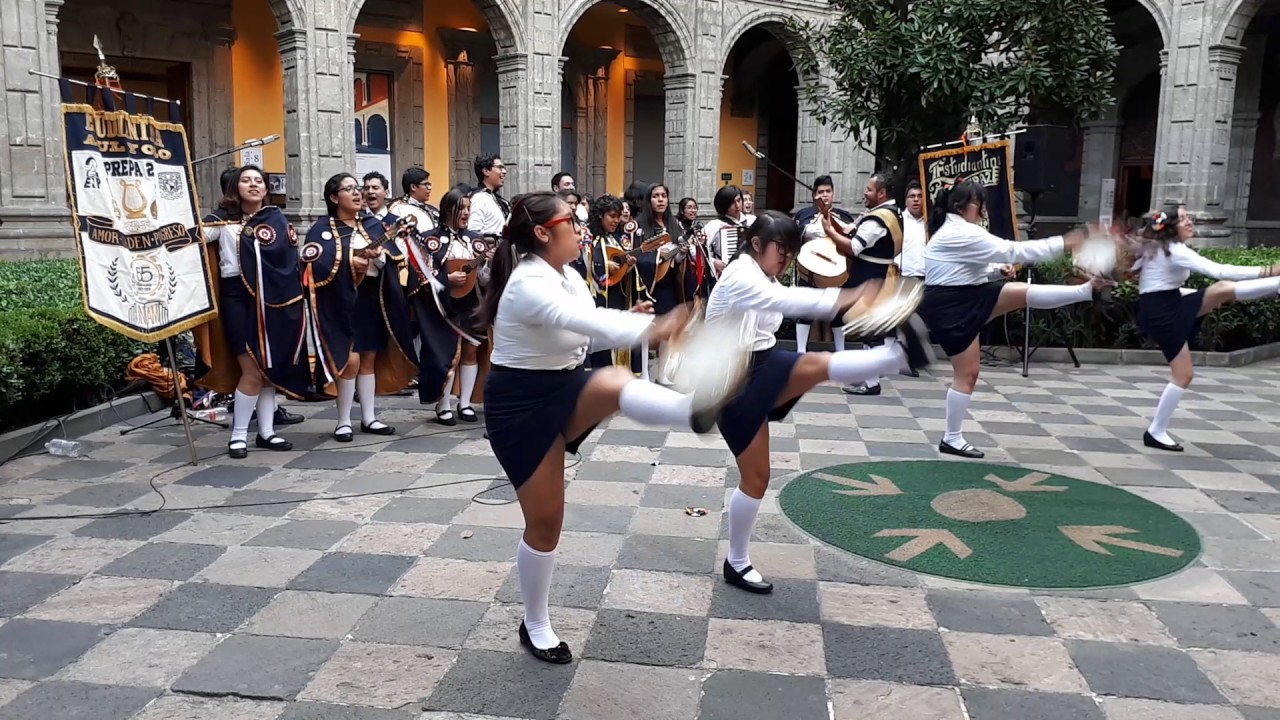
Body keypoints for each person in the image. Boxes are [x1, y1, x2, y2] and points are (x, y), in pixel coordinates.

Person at [481, 191, 714, 664]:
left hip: (562, 386)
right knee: (545, 525)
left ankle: (693, 409)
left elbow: (586, 328)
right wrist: (654, 329)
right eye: (573, 220)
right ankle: (536, 623)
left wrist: (631, 322)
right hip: (519, 405)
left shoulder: (566, 274)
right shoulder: (528, 282)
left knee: (612, 380)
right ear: (544, 233)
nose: (581, 227)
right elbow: (578, 320)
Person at [704, 210, 932, 593]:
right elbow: (788, 300)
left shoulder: (763, 271)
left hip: (763, 361)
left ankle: (898, 357)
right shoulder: (741, 274)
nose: (787, 259)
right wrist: (853, 296)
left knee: (817, 365)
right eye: (783, 250)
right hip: (728, 379)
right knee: (757, 478)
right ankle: (737, 562)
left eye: (792, 252)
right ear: (757, 244)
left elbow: (780, 305)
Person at [918, 180, 1105, 459]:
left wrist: (995, 272)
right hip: (950, 305)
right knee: (966, 374)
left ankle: (1086, 291)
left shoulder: (957, 229)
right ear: (962, 206)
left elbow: (969, 268)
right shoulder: (960, 231)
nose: (981, 212)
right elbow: (1013, 251)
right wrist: (1066, 242)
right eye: (978, 205)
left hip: (964, 296)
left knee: (1019, 294)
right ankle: (952, 438)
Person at [1129, 204, 1280, 451]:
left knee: (1220, 292)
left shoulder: (1165, 249)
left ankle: (1276, 285)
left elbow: (1158, 287)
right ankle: (1155, 432)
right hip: (1162, 313)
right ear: (1170, 228)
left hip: (1168, 304)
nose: (1190, 222)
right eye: (1184, 219)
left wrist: (1198, 298)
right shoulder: (1174, 250)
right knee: (1183, 375)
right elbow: (1219, 270)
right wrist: (1268, 270)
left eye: (1190, 218)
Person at [195, 165, 307, 458]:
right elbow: (191, 239)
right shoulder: (219, 222)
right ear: (235, 186)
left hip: (273, 301)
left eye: (259, 181)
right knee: (252, 369)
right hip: (238, 298)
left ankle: (267, 433)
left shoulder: (276, 220)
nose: (254, 185)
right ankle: (239, 434)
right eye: (247, 180)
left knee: (268, 369)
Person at [819, 173, 903, 396]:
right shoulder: (893, 213)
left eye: (869, 189)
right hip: (878, 274)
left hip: (869, 277)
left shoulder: (878, 219)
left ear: (881, 193)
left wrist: (828, 231)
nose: (864, 193)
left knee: (870, 330)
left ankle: (873, 382)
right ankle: (868, 378)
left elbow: (854, 247)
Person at [420, 185, 490, 424]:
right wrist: (446, 279)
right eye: (462, 208)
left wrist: (486, 266)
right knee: (447, 354)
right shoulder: (429, 239)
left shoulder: (475, 240)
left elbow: (485, 279)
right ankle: (443, 404)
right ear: (448, 209)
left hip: (471, 303)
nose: (466, 213)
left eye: (469, 208)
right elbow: (421, 275)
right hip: (442, 305)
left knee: (470, 351)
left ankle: (466, 402)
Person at [792, 175, 856, 353]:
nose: (825, 195)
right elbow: (798, 235)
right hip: (809, 268)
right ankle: (800, 352)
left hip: (836, 270)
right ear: (814, 195)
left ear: (833, 194)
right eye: (821, 192)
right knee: (805, 310)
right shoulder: (804, 215)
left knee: (837, 311)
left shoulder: (844, 216)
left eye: (828, 191)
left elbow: (850, 240)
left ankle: (841, 352)